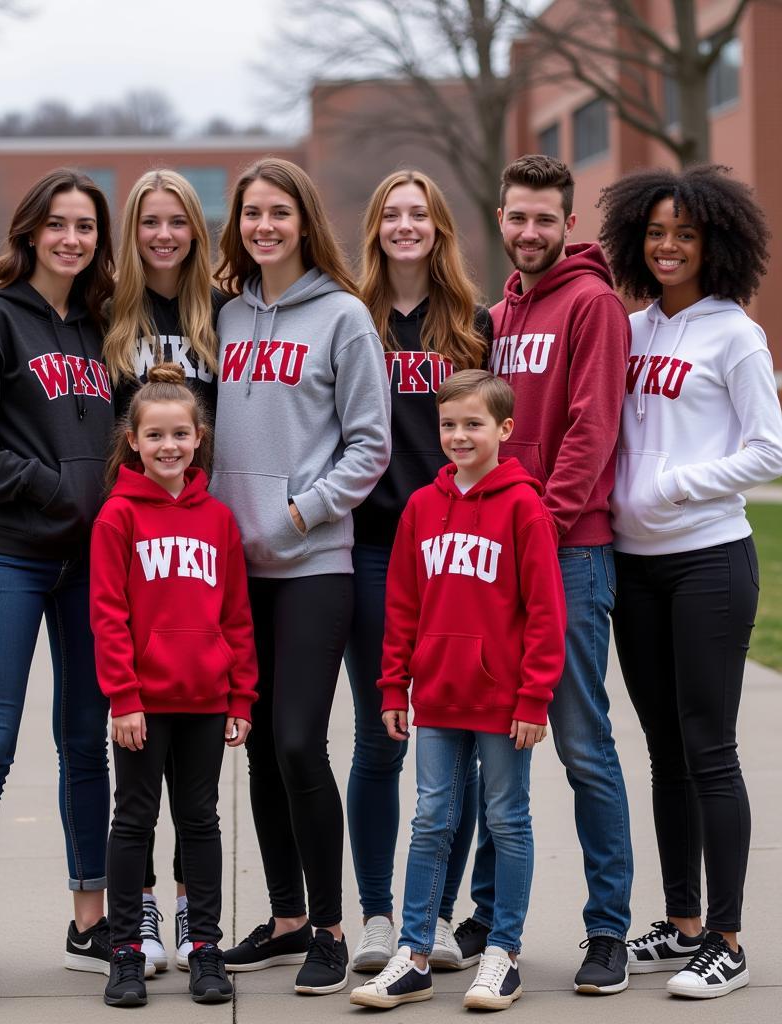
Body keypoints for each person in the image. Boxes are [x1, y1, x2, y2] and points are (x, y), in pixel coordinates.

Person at [444, 154, 635, 993]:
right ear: (501, 217)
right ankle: (488, 916)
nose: (529, 233)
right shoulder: (499, 313)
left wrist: (535, 532)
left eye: (544, 220)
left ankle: (607, 931)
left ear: (568, 224)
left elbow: (592, 432)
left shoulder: (593, 304)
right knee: (497, 749)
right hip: (505, 560)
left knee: (585, 745)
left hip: (570, 554)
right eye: (517, 218)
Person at [0, 169, 115, 1011]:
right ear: (31, 230)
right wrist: (47, 488)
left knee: (87, 741)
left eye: (86, 226)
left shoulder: (101, 328)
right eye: (59, 224)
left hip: (89, 566)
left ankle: (89, 923)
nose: (73, 238)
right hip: (7, 553)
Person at [597, 165, 782, 999]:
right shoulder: (629, 329)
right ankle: (682, 925)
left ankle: (731, 939)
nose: (669, 246)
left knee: (710, 749)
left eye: (686, 234)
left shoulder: (733, 334)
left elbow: (770, 451)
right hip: (634, 568)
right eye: (657, 233)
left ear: (716, 244)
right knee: (664, 753)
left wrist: (674, 485)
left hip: (708, 558)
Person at [210, 157, 391, 995]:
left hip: (313, 561)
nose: (265, 226)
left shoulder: (344, 317)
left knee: (297, 740)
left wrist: (299, 513)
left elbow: (370, 445)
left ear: (304, 220)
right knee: (255, 749)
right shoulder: (228, 315)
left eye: (279, 212)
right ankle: (284, 921)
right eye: (252, 213)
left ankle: (328, 925)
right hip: (235, 571)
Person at [350, 369, 565, 1012]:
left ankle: (502, 954)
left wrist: (534, 698)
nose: (459, 435)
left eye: (473, 423)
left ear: (504, 429)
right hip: (438, 698)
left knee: (508, 818)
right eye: (449, 423)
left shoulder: (524, 506)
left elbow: (546, 612)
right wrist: (394, 687)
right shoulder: (421, 507)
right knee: (430, 820)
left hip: (503, 703)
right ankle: (412, 955)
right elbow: (403, 605)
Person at [347, 170, 492, 972]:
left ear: (439, 226)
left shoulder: (473, 325)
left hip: (455, 557)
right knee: (381, 737)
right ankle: (376, 914)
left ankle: (432, 914)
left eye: (420, 213)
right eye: (391, 213)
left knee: (452, 740)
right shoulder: (350, 317)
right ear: (375, 227)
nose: (406, 225)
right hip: (372, 548)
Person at [90, 362, 258, 1007]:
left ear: (199, 439)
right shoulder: (117, 518)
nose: (168, 446)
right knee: (133, 821)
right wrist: (123, 698)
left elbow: (237, 616)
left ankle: (206, 948)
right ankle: (127, 951)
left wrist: (240, 696)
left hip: (206, 701)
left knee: (201, 822)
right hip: (143, 707)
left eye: (180, 435)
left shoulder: (218, 520)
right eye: (155, 435)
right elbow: (108, 615)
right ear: (133, 440)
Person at [105, 170, 225, 969]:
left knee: (200, 810)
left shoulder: (221, 309)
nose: (163, 234)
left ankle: (197, 925)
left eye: (177, 220)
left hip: (207, 532)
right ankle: (133, 923)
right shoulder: (106, 310)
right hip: (133, 538)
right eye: (149, 221)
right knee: (136, 807)